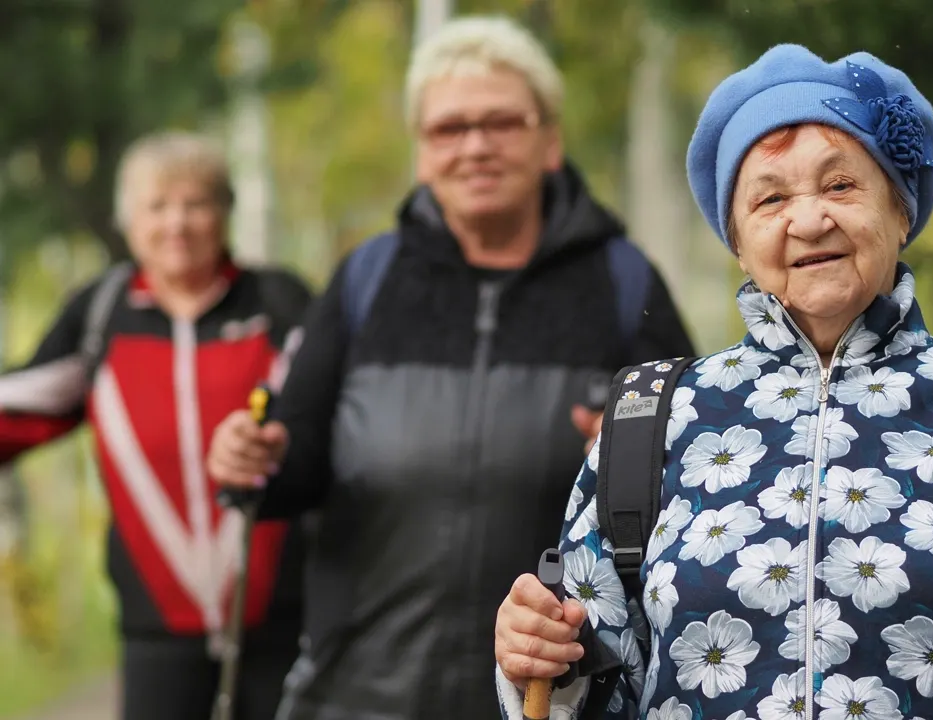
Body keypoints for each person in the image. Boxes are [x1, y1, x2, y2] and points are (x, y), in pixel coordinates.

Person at [493, 45, 933, 719]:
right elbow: (582, 686)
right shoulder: (651, 421)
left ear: (901, 212)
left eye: (840, 186)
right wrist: (542, 659)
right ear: (738, 239)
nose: (808, 220)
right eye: (771, 198)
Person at [204, 14, 695, 719]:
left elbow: (699, 478)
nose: (475, 146)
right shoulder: (366, 280)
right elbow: (293, 456)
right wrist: (251, 456)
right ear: (423, 153)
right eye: (448, 129)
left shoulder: (624, 285)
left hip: (544, 697)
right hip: (359, 693)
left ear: (549, 141)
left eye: (501, 122)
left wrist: (624, 471)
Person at [0, 131, 313, 720]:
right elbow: (21, 404)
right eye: (157, 206)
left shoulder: (278, 302)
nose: (178, 223)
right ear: (128, 220)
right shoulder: (101, 314)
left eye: (196, 203)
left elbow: (333, 418)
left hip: (280, 623)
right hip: (155, 634)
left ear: (224, 212)